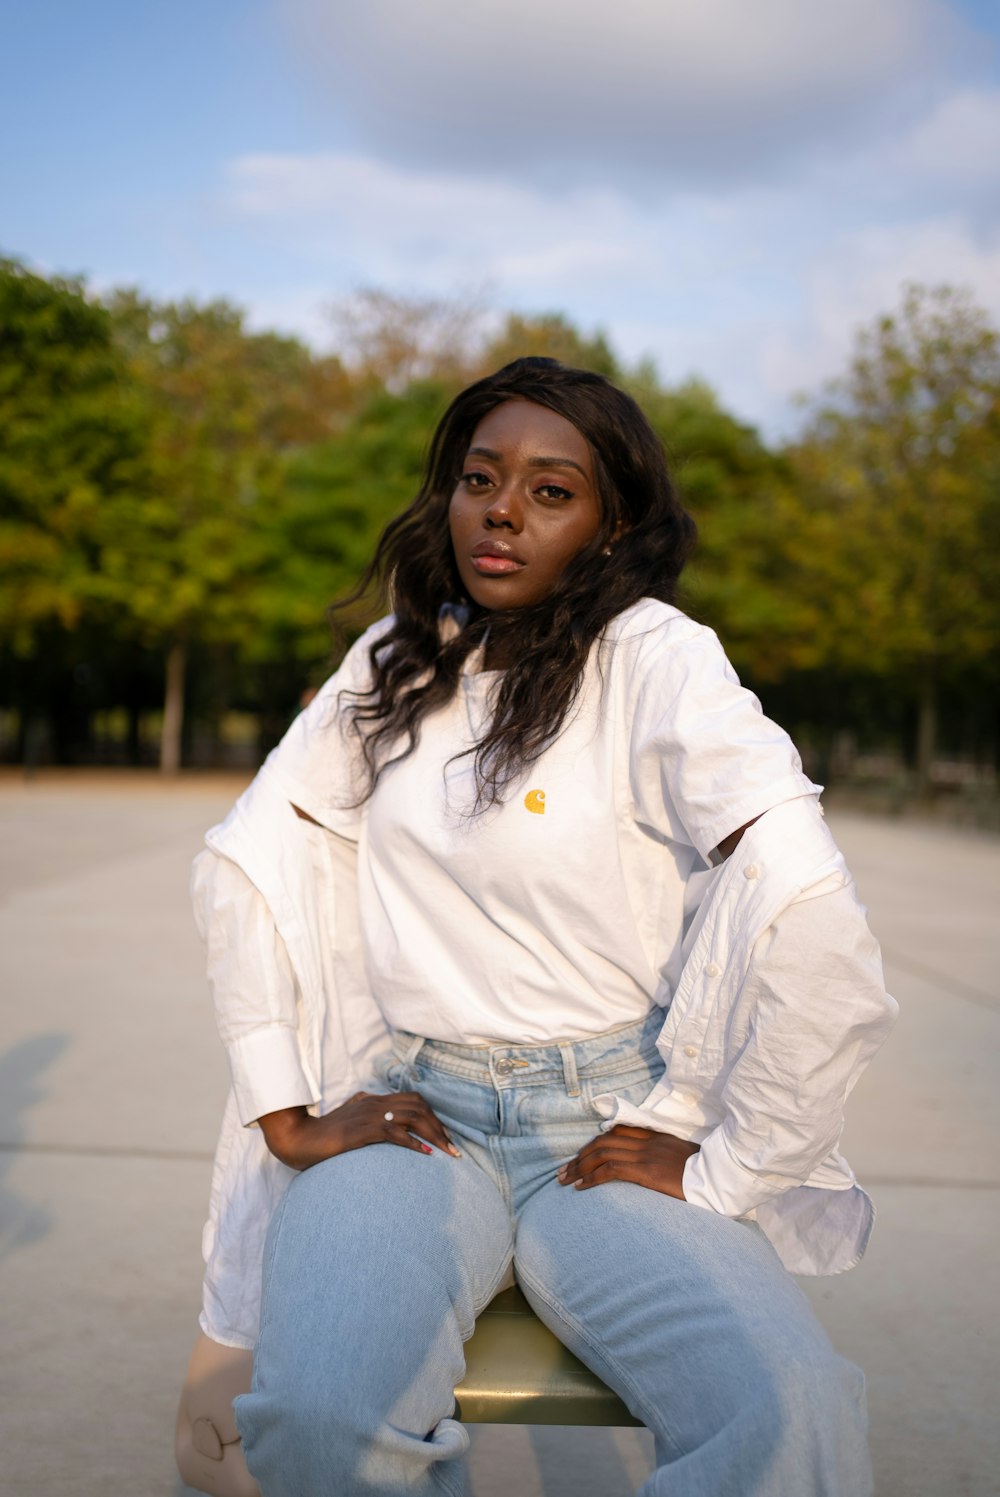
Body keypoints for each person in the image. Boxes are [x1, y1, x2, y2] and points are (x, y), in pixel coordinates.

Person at [190, 358, 897, 1496]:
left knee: (792, 1414)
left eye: (550, 491)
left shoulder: (657, 661)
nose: (503, 510)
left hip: (609, 1130)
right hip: (420, 1121)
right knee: (318, 1422)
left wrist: (735, 1166)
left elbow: (807, 905)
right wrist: (288, 1118)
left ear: (612, 526)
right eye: (480, 478)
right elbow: (246, 865)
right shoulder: (394, 661)